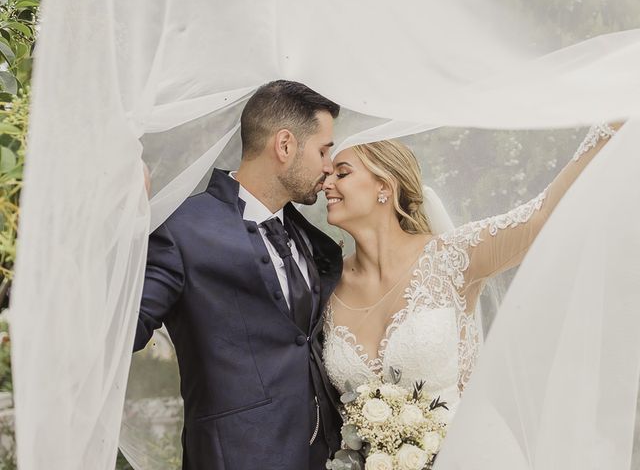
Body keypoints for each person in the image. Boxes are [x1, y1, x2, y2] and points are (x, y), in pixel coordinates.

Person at [321, 124, 622, 422]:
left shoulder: (452, 256)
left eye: (342, 173)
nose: (326, 184)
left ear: (384, 186)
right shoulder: (324, 283)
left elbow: (540, 217)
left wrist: (612, 125)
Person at [134, 80, 344, 469]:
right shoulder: (181, 230)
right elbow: (124, 328)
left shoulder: (317, 244)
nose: (329, 166)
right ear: (285, 146)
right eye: (323, 150)